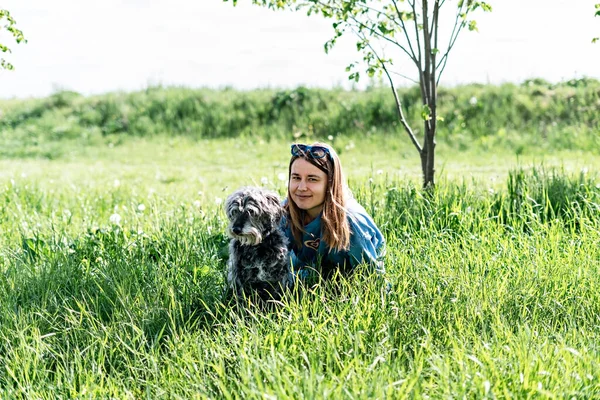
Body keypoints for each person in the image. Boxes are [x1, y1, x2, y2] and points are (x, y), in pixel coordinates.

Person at [281, 142, 385, 284]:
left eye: (312, 179)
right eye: (296, 177)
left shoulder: (351, 221)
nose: (302, 187)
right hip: (303, 283)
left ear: (330, 183)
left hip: (344, 289)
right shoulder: (282, 213)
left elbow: (373, 281)